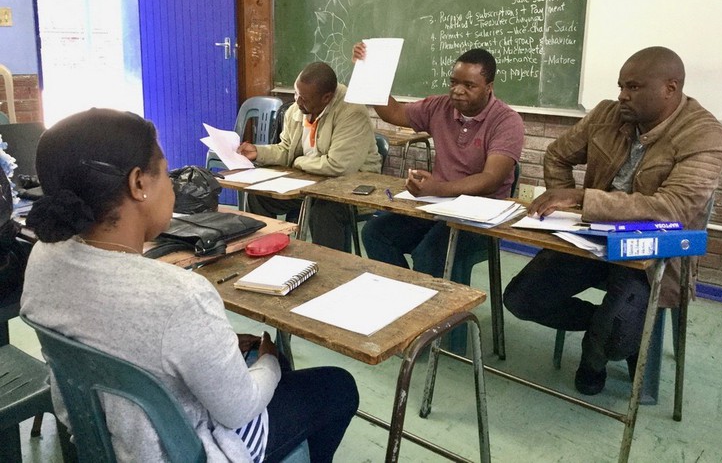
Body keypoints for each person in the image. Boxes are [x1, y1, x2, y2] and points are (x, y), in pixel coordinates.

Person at [21, 108, 359, 462]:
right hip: (180, 450)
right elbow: (239, 410)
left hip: (103, 435)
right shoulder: (180, 295)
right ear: (138, 184)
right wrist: (270, 363)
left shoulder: (44, 258)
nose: (172, 184)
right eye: (166, 173)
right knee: (336, 386)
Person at [503, 46, 722, 395]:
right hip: (589, 240)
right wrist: (565, 209)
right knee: (520, 299)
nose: (622, 95)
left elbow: (675, 207)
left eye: (634, 87)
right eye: (621, 85)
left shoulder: (703, 134)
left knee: (617, 339)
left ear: (671, 88)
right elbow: (558, 155)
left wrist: (583, 198)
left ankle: (598, 353)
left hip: (649, 255)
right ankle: (601, 328)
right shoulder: (608, 115)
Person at [352, 42, 524, 353]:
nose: (458, 91)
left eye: (469, 85)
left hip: (481, 219)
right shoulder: (440, 107)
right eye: (454, 82)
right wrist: (371, 72)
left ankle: (442, 340)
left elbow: (491, 180)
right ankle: (406, 309)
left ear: (489, 87)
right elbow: (394, 112)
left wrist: (437, 188)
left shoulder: (507, 121)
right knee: (377, 233)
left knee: (431, 253)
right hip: (437, 208)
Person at [239, 62, 381, 253]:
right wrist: (259, 152)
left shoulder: (351, 111)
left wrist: (298, 162)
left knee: (324, 210)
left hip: (349, 187)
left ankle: (333, 269)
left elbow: (338, 166)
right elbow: (287, 149)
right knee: (258, 195)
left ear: (326, 98)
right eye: (296, 94)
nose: (297, 102)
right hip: (308, 181)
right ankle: (269, 254)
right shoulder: (296, 110)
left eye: (304, 99)